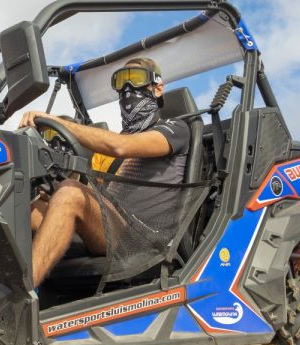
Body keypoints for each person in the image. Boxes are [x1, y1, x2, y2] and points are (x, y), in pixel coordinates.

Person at [19, 57, 190, 287]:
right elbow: (94, 193)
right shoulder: (110, 155)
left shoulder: (175, 129)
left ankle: (20, 299)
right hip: (109, 228)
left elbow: (121, 146)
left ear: (158, 88)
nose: (128, 89)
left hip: (140, 238)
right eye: (121, 81)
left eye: (136, 79)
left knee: (71, 194)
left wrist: (52, 119)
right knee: (23, 202)